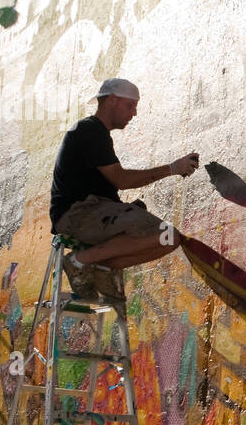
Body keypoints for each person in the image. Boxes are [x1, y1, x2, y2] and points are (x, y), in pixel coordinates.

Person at [49, 78, 199, 300]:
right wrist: (172, 168)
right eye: (131, 105)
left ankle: (99, 267)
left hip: (98, 214)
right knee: (164, 234)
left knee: (171, 239)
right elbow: (121, 179)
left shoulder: (98, 134)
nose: (134, 113)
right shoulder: (89, 130)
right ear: (112, 100)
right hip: (78, 214)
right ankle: (78, 261)